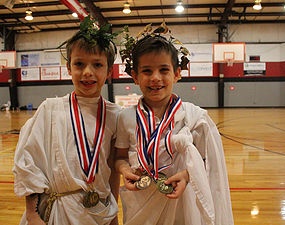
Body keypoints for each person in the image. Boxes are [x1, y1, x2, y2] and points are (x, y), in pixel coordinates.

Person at [115, 25, 234, 225]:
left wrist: (187, 175)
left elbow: (209, 161)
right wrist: (125, 170)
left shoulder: (194, 117)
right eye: (146, 71)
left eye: (164, 70)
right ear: (135, 76)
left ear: (177, 73)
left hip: (183, 202)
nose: (155, 78)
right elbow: (119, 157)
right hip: (139, 203)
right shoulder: (125, 117)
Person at [13, 16, 121, 225]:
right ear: (69, 68)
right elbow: (30, 161)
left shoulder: (116, 115)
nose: (87, 72)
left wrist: (113, 213)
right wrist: (32, 214)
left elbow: (112, 171)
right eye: (79, 64)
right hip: (54, 212)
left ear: (108, 72)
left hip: (98, 213)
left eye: (97, 65)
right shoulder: (50, 109)